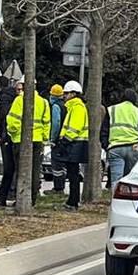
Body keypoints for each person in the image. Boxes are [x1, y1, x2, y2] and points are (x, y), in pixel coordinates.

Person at [1, 81, 49, 207]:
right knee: (34, 171)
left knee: (21, 171)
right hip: (37, 140)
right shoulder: (43, 102)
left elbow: (12, 121)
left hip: (20, 140)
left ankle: (21, 199)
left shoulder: (19, 100)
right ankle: (32, 199)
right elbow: (47, 123)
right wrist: (43, 140)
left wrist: (12, 134)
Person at [100, 88, 138, 188]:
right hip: (133, 147)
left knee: (116, 179)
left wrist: (106, 145)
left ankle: (116, 201)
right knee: (129, 179)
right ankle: (128, 201)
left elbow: (104, 130)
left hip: (115, 147)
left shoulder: (112, 110)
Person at [57, 80, 88, 211]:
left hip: (75, 144)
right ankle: (72, 201)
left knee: (73, 175)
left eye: (66, 93)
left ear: (74, 94)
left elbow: (74, 128)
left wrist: (64, 141)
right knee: (72, 175)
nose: (64, 96)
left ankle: (73, 202)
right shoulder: (74, 107)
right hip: (74, 144)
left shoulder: (78, 108)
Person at [0, 75, 20, 207]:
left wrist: (1, 135)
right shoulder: (16, 101)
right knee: (17, 169)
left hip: (6, 139)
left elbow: (1, 120)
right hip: (17, 139)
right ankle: (12, 194)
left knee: (8, 169)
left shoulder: (4, 101)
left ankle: (3, 197)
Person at [48, 83, 66, 193]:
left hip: (58, 140)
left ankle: (58, 188)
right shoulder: (66, 105)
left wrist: (53, 139)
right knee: (63, 165)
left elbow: (56, 123)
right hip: (65, 138)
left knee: (56, 164)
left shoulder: (56, 106)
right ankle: (62, 186)